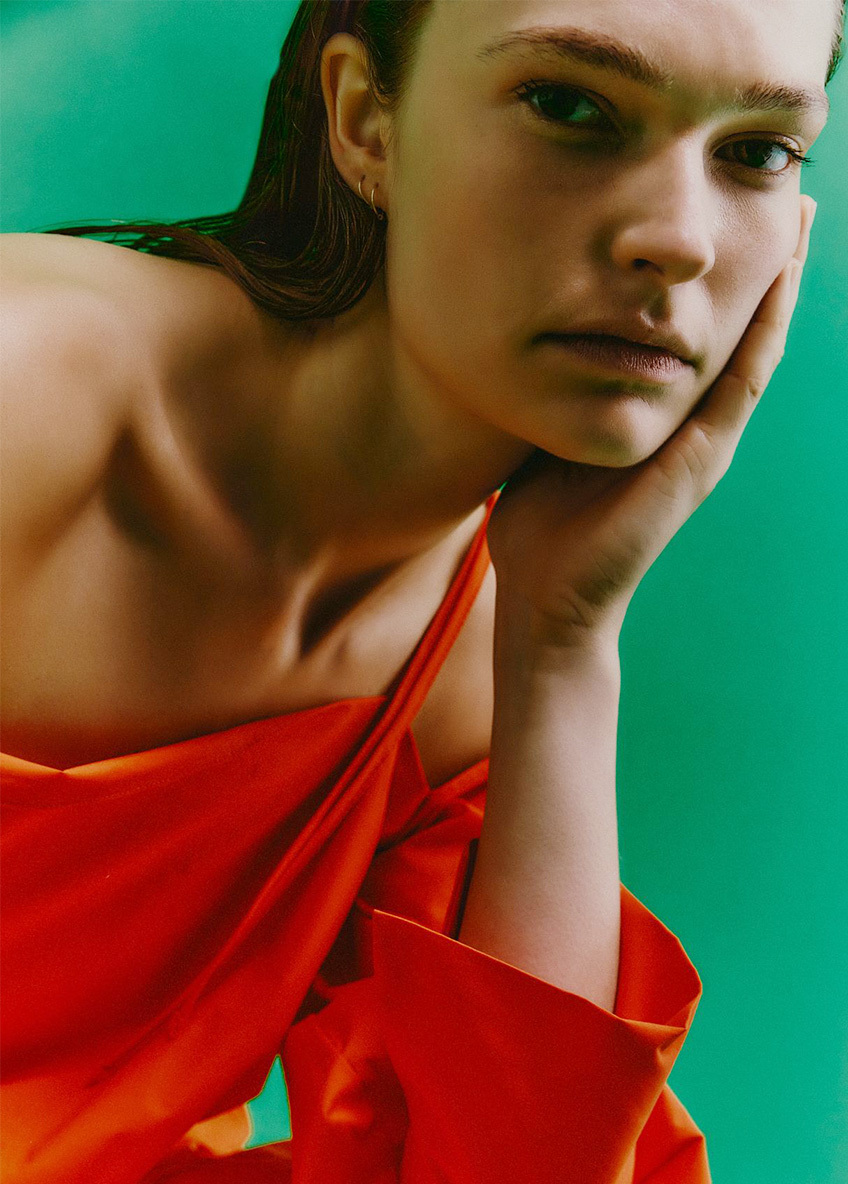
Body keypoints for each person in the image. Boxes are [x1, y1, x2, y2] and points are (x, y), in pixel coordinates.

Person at [0, 0, 841, 1180]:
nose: (678, 240)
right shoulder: (25, 389)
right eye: (568, 106)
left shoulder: (471, 660)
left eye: (755, 151)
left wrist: (563, 640)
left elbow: (516, 1161)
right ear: (363, 121)